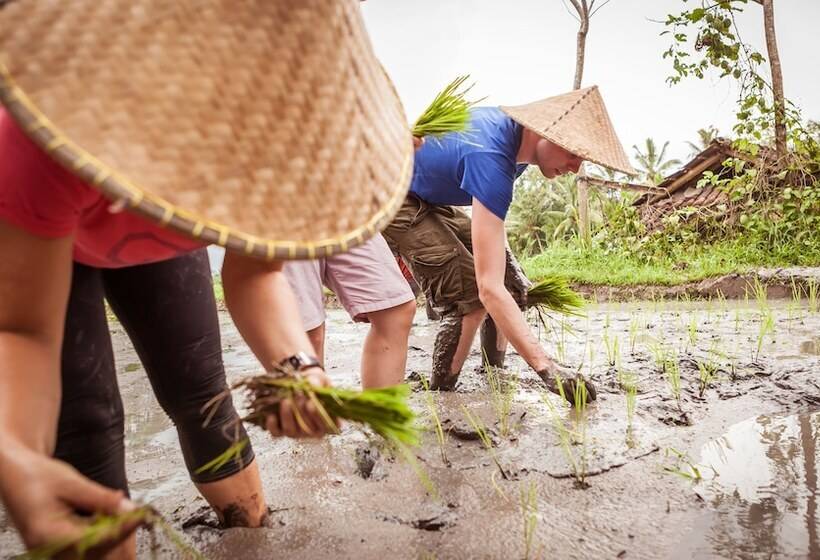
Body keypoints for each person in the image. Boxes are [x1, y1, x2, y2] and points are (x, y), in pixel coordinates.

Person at [0, 0, 413, 557]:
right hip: (44, 245)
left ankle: (253, 537)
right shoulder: (40, 132)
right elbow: (24, 331)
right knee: (86, 424)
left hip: (152, 248)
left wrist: (299, 367)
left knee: (204, 395)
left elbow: (256, 272)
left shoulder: (283, 145)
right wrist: (16, 454)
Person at [383, 86, 635, 398]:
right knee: (469, 295)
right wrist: (547, 369)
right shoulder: (491, 155)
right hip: (391, 196)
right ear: (542, 132)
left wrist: (509, 265)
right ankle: (442, 394)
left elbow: (491, 223)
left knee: (511, 284)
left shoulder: (518, 152)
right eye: (573, 153)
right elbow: (487, 289)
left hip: (427, 194)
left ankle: (493, 374)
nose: (575, 168)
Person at [283, 233, 417, 389]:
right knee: (307, 332)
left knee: (394, 310)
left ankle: (380, 404)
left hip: (347, 221)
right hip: (285, 226)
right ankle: (309, 402)